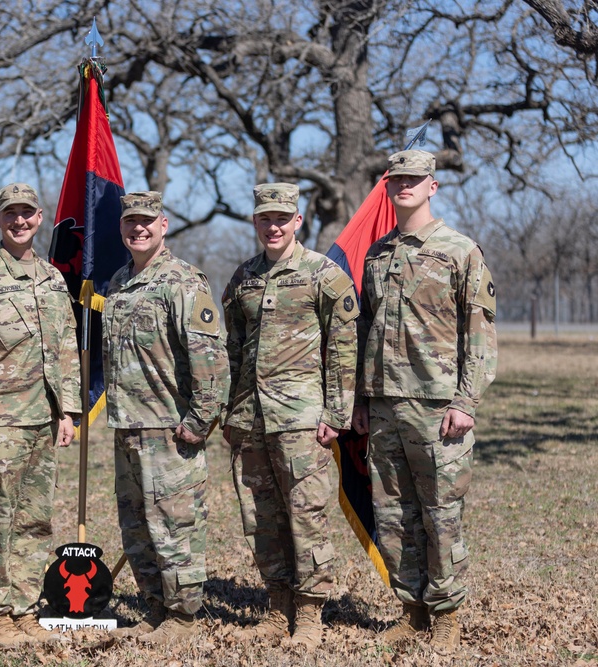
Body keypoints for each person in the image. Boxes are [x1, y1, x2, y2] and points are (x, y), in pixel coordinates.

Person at [351, 150, 497, 654]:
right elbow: (366, 328)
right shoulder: (377, 254)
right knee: (393, 516)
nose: (404, 186)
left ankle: (447, 616)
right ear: (387, 187)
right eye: (397, 180)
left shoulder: (460, 251)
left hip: (439, 408)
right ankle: (411, 611)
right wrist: (363, 398)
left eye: (414, 179)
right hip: (386, 405)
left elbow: (478, 334)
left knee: (441, 517)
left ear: (432, 186)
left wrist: (466, 401)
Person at [222, 183, 358, 649]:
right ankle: (278, 608)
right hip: (250, 418)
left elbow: (343, 348)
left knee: (307, 515)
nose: (274, 226)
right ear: (255, 222)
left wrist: (337, 412)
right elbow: (232, 351)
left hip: (303, 418)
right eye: (265, 218)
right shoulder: (243, 278)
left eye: (283, 217)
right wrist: (228, 413)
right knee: (261, 517)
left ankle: (311, 615)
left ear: (298, 220)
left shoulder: (324, 274)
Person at [0, 183, 81, 648]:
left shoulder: (51, 278)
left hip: (42, 422)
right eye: (11, 214)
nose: (19, 221)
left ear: (40, 217)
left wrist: (69, 411)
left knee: (34, 521)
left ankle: (24, 607)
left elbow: (67, 348)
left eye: (27, 214)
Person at [102, 191, 229, 645]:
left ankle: (183, 618)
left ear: (164, 224)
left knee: (175, 526)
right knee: (136, 525)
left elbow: (211, 360)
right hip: (126, 426)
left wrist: (199, 420)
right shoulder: (117, 283)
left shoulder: (183, 281)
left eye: (147, 221)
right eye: (130, 222)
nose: (138, 228)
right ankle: (156, 607)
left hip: (168, 429)